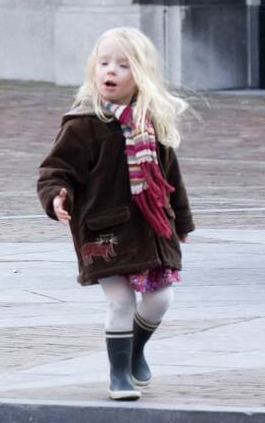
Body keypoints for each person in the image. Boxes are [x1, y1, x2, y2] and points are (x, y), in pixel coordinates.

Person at [36, 27, 194, 401]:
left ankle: (136, 348)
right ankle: (119, 374)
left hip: (150, 229)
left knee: (160, 299)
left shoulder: (150, 123)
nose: (111, 71)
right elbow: (56, 170)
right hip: (103, 232)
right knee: (121, 301)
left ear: (140, 75)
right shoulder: (84, 124)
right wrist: (56, 196)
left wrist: (183, 222)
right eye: (104, 63)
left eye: (123, 65)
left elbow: (171, 177)